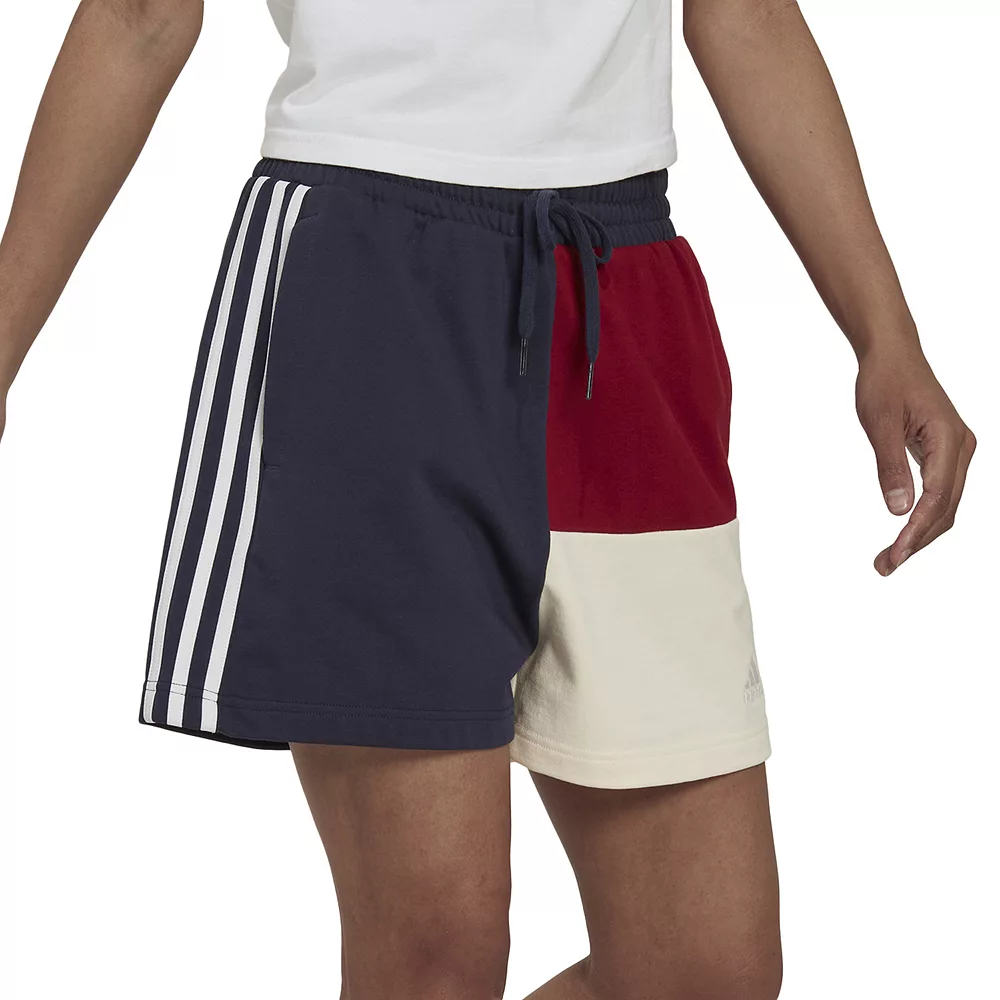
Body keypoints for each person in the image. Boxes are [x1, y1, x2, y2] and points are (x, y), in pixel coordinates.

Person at [0, 1, 976, 998]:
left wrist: (883, 332)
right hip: (372, 276)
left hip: (623, 284)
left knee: (702, 969)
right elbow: (139, 16)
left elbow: (745, 14)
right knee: (435, 959)